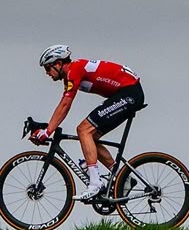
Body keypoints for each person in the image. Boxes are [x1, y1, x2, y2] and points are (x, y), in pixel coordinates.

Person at [32, 45, 145, 201]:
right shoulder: (71, 74)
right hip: (126, 93)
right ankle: (123, 179)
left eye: (47, 68)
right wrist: (49, 128)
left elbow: (65, 105)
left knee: (84, 130)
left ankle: (95, 183)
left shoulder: (74, 70)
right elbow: (64, 104)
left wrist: (47, 132)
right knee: (90, 137)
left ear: (58, 63)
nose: (46, 73)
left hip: (129, 92)